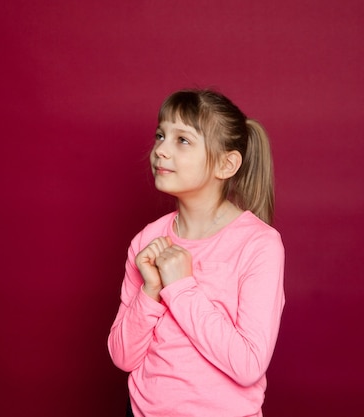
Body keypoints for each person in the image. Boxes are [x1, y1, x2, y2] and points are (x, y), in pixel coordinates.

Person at [108, 89, 285, 417]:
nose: (160, 149)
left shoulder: (259, 245)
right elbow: (123, 356)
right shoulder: (147, 239)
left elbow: (247, 365)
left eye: (182, 140)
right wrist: (150, 291)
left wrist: (179, 287)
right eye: (161, 135)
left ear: (226, 164)